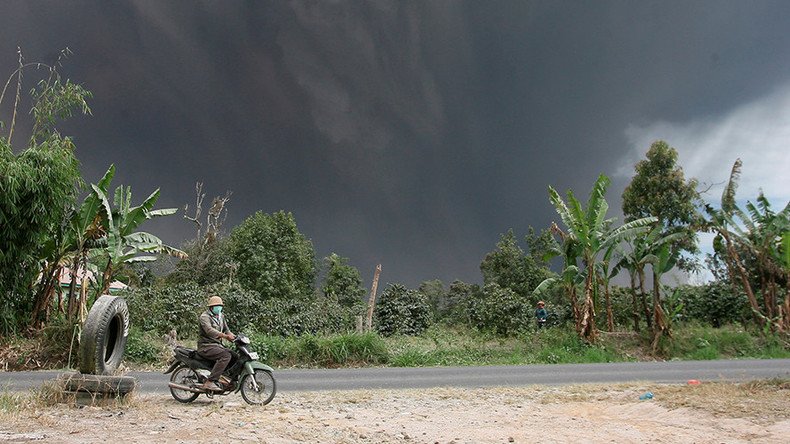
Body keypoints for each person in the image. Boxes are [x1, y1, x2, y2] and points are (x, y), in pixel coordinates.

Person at [197, 296, 236, 392]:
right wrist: (225, 336)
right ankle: (210, 381)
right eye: (216, 306)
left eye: (220, 306)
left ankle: (224, 380)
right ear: (211, 307)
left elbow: (227, 330)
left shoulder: (221, 316)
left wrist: (234, 337)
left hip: (217, 345)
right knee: (226, 356)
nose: (219, 308)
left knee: (235, 356)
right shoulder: (204, 317)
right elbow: (209, 331)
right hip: (206, 346)